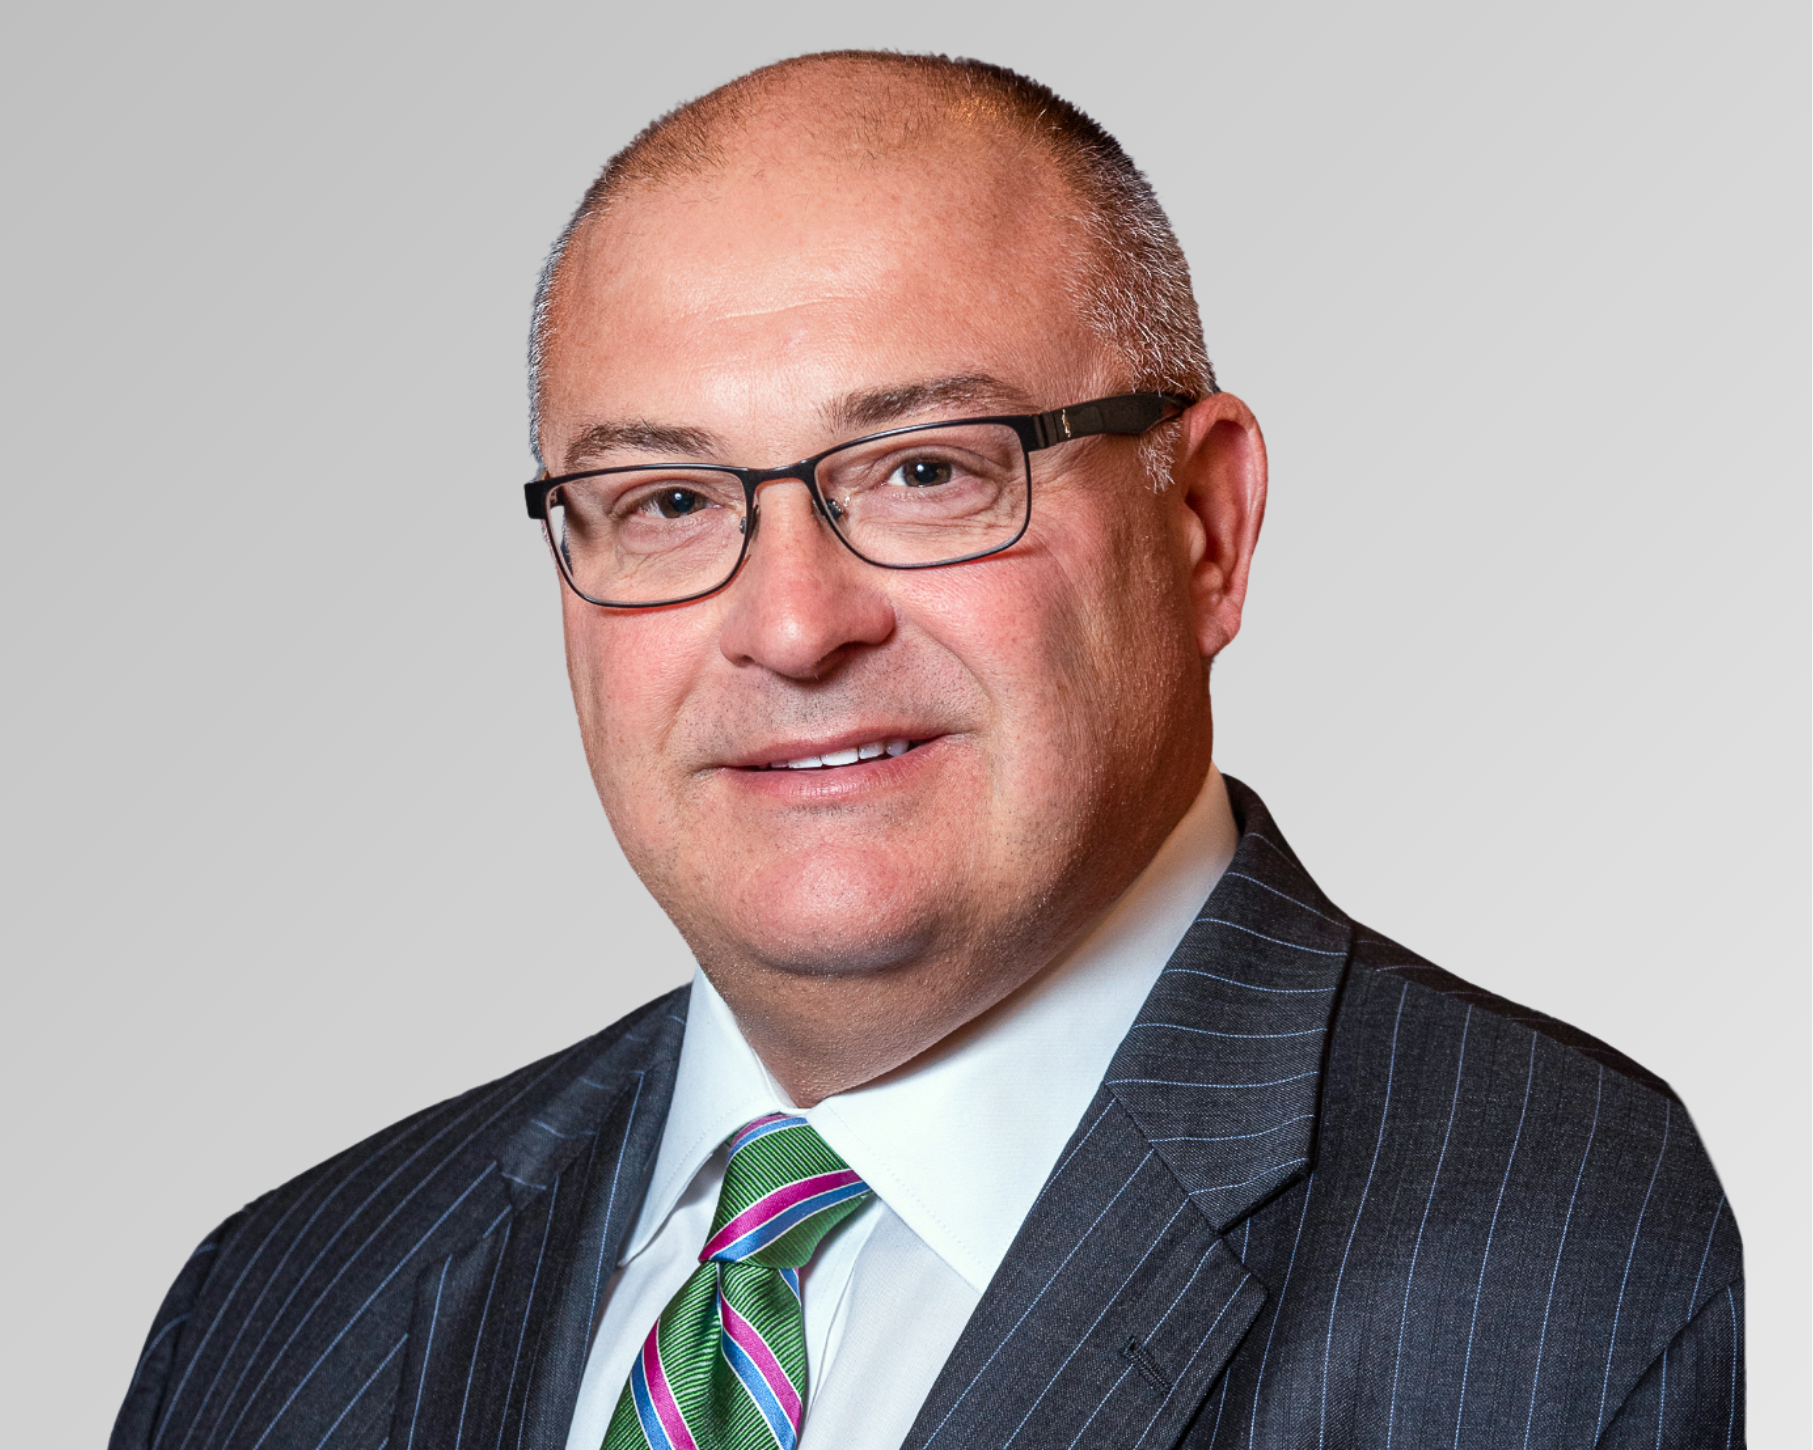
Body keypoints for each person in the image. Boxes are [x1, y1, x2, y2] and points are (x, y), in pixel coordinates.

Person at [110, 51, 1742, 1450]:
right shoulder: (279, 1300)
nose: (791, 624)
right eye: (666, 499)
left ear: (1203, 526)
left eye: (924, 472)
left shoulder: (1574, 1260)